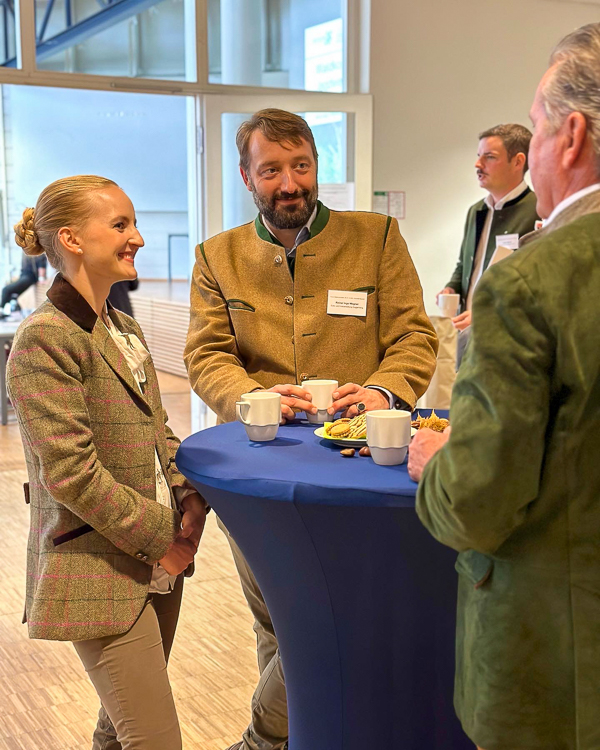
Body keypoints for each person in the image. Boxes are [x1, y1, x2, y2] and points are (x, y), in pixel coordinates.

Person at [184, 108, 438, 750]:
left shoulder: (377, 237)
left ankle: (265, 740)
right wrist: (252, 396)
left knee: (336, 621)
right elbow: (206, 355)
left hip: (360, 464)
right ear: (247, 176)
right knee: (274, 619)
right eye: (272, 170)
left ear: (316, 167)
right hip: (257, 465)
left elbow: (413, 334)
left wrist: (382, 391)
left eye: (301, 166)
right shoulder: (218, 257)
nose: (289, 183)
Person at [409, 22, 600, 750]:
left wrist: (437, 466)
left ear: (570, 136)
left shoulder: (529, 284)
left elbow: (476, 506)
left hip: (556, 669)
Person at [6, 175, 208, 750]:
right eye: (120, 225)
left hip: (160, 559)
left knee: (118, 735)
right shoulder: (43, 338)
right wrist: (161, 536)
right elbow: (70, 473)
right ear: (70, 238)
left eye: (133, 223)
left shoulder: (123, 327)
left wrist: (189, 498)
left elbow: (157, 430)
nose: (137, 237)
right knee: (154, 739)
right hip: (98, 567)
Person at [437, 124, 539, 364]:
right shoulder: (477, 211)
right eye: (478, 156)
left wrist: (488, 313)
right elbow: (465, 265)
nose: (478, 164)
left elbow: (535, 288)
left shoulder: (538, 211)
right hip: (467, 331)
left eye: (489, 157)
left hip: (509, 338)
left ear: (518, 162)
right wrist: (452, 287)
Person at [0, 251, 47, 317]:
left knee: (5, 290)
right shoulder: (29, 254)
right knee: (10, 293)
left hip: (29, 278)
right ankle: (11, 311)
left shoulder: (37, 254)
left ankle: (1, 310)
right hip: (25, 277)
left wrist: (41, 279)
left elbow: (41, 268)